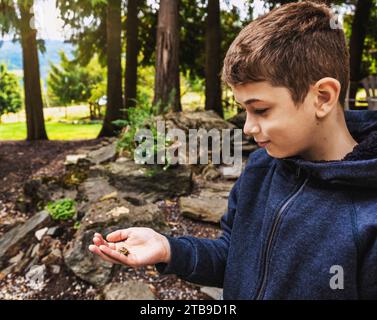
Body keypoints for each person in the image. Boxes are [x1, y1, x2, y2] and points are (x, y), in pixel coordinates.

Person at [89, 1, 377, 299]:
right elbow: (233, 255)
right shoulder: (261, 167)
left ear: (322, 97)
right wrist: (169, 249)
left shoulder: (369, 218)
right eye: (244, 111)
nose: (248, 128)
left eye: (261, 110)